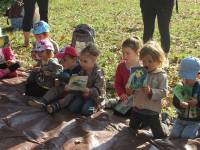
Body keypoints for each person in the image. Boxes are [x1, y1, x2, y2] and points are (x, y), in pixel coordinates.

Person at [46, 44, 106, 116]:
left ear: (94, 61)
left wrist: (88, 90)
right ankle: (55, 106)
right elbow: (78, 81)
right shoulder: (83, 70)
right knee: (73, 108)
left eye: (85, 61)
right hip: (82, 95)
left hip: (95, 98)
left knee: (87, 111)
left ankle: (97, 108)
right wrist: (71, 85)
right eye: (80, 60)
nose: (82, 63)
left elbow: (99, 90)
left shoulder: (98, 73)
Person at [129, 41, 168, 139]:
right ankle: (144, 124)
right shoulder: (139, 72)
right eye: (144, 61)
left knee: (160, 135)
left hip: (152, 111)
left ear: (159, 61)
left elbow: (164, 92)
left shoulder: (161, 75)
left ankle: (164, 122)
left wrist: (151, 91)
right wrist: (131, 88)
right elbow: (131, 90)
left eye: (150, 61)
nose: (146, 64)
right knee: (131, 128)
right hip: (138, 108)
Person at [170, 57, 200, 139]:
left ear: (198, 75)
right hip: (180, 119)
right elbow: (175, 101)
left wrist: (197, 102)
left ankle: (198, 131)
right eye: (184, 77)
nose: (186, 80)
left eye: (189, 77)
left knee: (186, 136)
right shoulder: (180, 87)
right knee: (174, 135)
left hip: (194, 121)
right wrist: (179, 104)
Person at [114, 37, 143, 115]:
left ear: (137, 53)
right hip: (126, 98)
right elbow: (117, 83)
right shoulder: (121, 66)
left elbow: (143, 88)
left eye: (128, 53)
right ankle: (114, 102)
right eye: (123, 53)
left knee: (137, 114)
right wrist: (122, 94)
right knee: (118, 112)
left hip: (140, 101)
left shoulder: (142, 68)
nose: (124, 56)